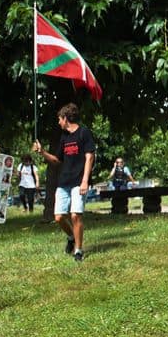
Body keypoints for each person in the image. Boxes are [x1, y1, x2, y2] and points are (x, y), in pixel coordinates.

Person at [33, 103, 95, 262]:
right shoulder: (64, 137)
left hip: (78, 182)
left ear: (66, 118)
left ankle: (79, 251)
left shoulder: (84, 133)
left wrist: (85, 181)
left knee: (75, 215)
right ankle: (71, 237)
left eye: (59, 119)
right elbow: (56, 160)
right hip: (63, 182)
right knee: (59, 217)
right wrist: (42, 152)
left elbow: (89, 157)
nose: (58, 122)